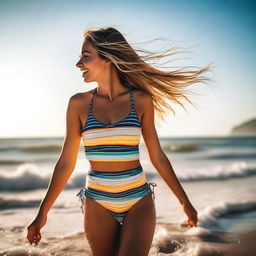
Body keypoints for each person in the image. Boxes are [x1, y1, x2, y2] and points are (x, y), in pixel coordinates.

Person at [27, 26, 213, 255]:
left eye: (86, 56)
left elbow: (157, 156)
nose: (78, 64)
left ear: (108, 58)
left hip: (138, 199)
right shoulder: (78, 104)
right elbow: (66, 162)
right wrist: (42, 212)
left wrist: (184, 201)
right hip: (98, 200)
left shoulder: (142, 101)